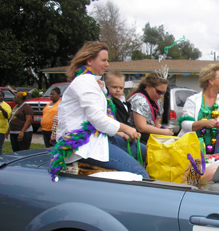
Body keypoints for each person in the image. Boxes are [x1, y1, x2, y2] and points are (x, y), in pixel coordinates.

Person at [49, 41, 148, 182]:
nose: (107, 64)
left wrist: (120, 133)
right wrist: (127, 129)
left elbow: (97, 119)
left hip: (100, 136)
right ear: (89, 60)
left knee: (148, 152)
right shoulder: (84, 82)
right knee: (141, 174)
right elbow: (97, 119)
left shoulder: (93, 82)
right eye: (103, 60)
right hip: (85, 145)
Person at [178, 63, 219, 154]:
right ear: (211, 81)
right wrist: (204, 123)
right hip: (193, 146)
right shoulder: (192, 100)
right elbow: (185, 124)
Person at [126, 72, 173, 144]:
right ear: (148, 86)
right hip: (135, 138)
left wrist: (164, 129)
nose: (160, 95)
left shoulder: (157, 101)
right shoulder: (139, 99)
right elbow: (141, 127)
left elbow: (156, 124)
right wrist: (164, 132)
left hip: (148, 136)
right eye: (159, 92)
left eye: (163, 93)